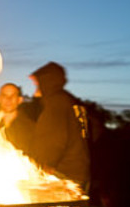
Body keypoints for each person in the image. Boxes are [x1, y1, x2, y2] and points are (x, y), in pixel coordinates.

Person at [27, 62, 90, 190]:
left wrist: (43, 165)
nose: (35, 88)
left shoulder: (57, 102)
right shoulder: (71, 101)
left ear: (46, 82)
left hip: (63, 175)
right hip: (79, 173)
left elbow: (54, 139)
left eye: (37, 83)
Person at [0, 82, 35, 153]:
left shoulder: (30, 127)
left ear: (20, 100)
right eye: (4, 95)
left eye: (13, 96)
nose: (8, 99)